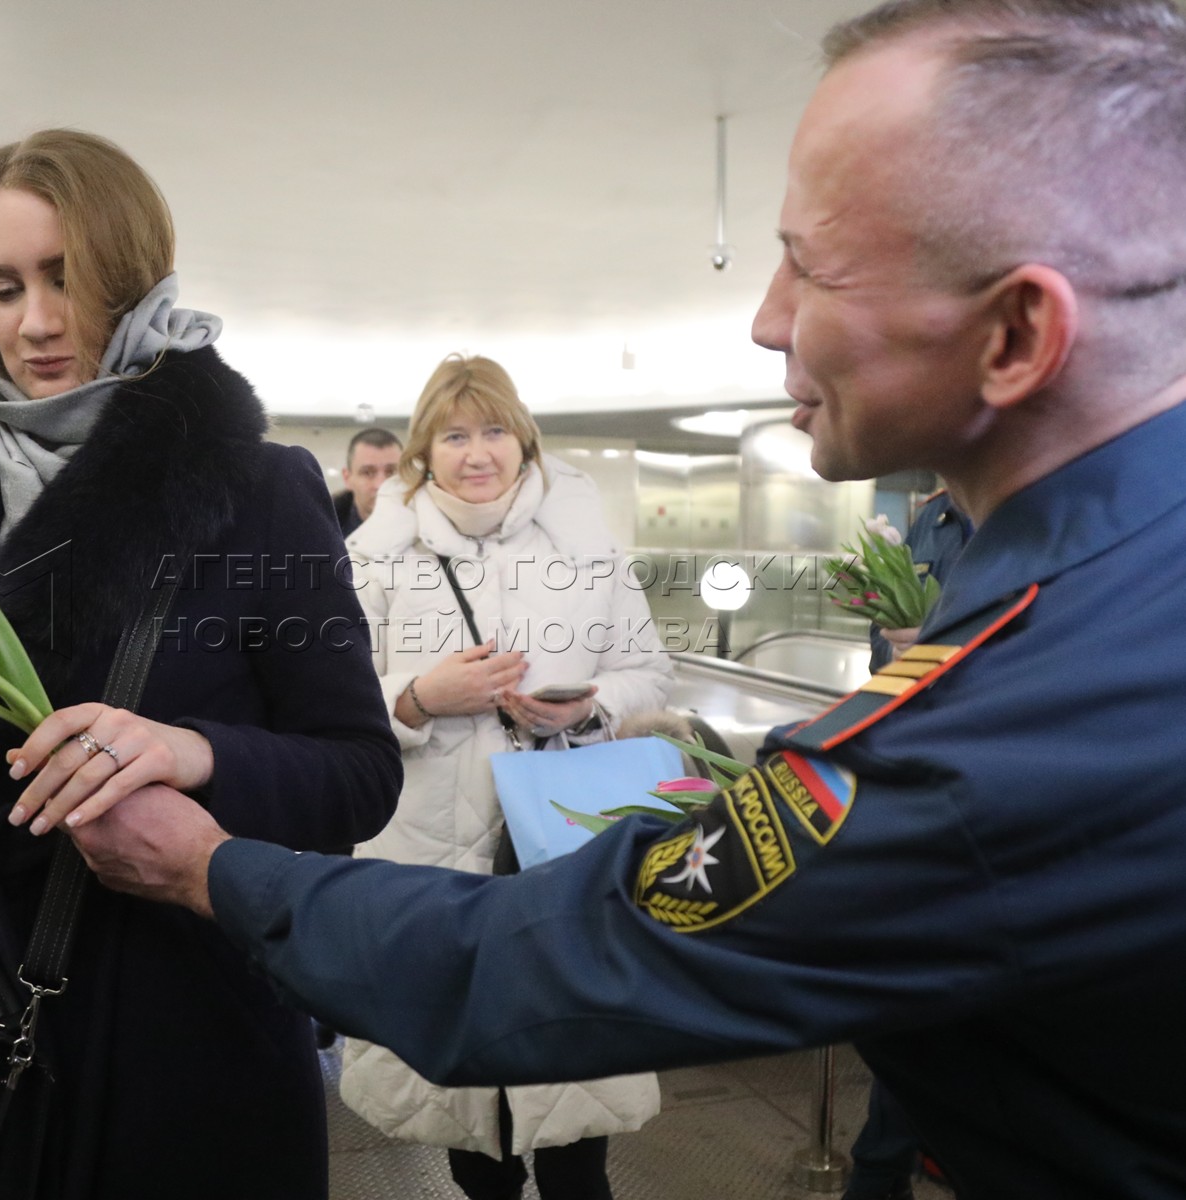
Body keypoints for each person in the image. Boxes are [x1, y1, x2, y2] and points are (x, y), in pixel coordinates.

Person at [60, 3, 1186, 1198]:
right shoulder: (1094, 588)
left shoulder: (1027, 707)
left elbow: (570, 953)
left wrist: (209, 867)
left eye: (812, 263)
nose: (763, 319)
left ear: (1015, 332)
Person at [0, 129, 401, 1199]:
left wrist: (187, 752)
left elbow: (360, 774)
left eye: (66, 279)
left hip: (200, 1041)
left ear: (133, 280)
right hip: (1, 1016)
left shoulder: (259, 489)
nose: (35, 322)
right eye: (1, 288)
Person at [340, 354, 671, 1200]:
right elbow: (333, 703)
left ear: (523, 441)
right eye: (453, 435)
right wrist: (417, 697)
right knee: (466, 1100)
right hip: (429, 854)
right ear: (425, 451)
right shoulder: (376, 557)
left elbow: (649, 672)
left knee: (574, 1102)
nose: (476, 452)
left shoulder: (587, 551)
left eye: (492, 431)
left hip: (560, 844)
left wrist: (587, 706)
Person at [852, 484, 972, 1200]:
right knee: (918, 998)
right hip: (929, 774)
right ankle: (879, 1173)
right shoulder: (932, 519)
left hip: (1016, 784)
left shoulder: (1052, 509)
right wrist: (905, 646)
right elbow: (882, 652)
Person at [867, 487, 973, 674]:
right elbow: (880, 632)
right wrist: (895, 653)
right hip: (920, 696)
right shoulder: (932, 516)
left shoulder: (1032, 515)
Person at [332, 426, 402, 536]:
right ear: (347, 478)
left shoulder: (427, 530)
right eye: (367, 473)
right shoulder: (321, 535)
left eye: (391, 472)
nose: (380, 485)